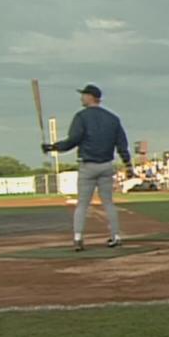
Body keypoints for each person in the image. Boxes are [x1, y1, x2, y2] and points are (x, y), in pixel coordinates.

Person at [42, 84, 136, 252]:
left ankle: (78, 238)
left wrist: (52, 147)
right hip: (107, 165)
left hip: (88, 165)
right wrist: (128, 164)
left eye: (84, 95)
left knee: (82, 204)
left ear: (91, 97)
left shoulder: (81, 117)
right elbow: (122, 145)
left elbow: (73, 140)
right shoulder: (113, 118)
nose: (81, 98)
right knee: (108, 203)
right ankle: (116, 236)